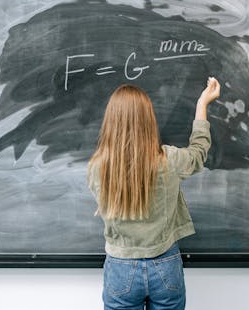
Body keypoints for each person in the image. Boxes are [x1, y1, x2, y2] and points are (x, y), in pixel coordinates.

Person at [87, 78, 221, 310]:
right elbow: (198, 153)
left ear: (110, 121)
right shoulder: (169, 160)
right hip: (165, 264)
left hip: (121, 267)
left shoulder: (97, 167)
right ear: (149, 120)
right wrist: (202, 105)